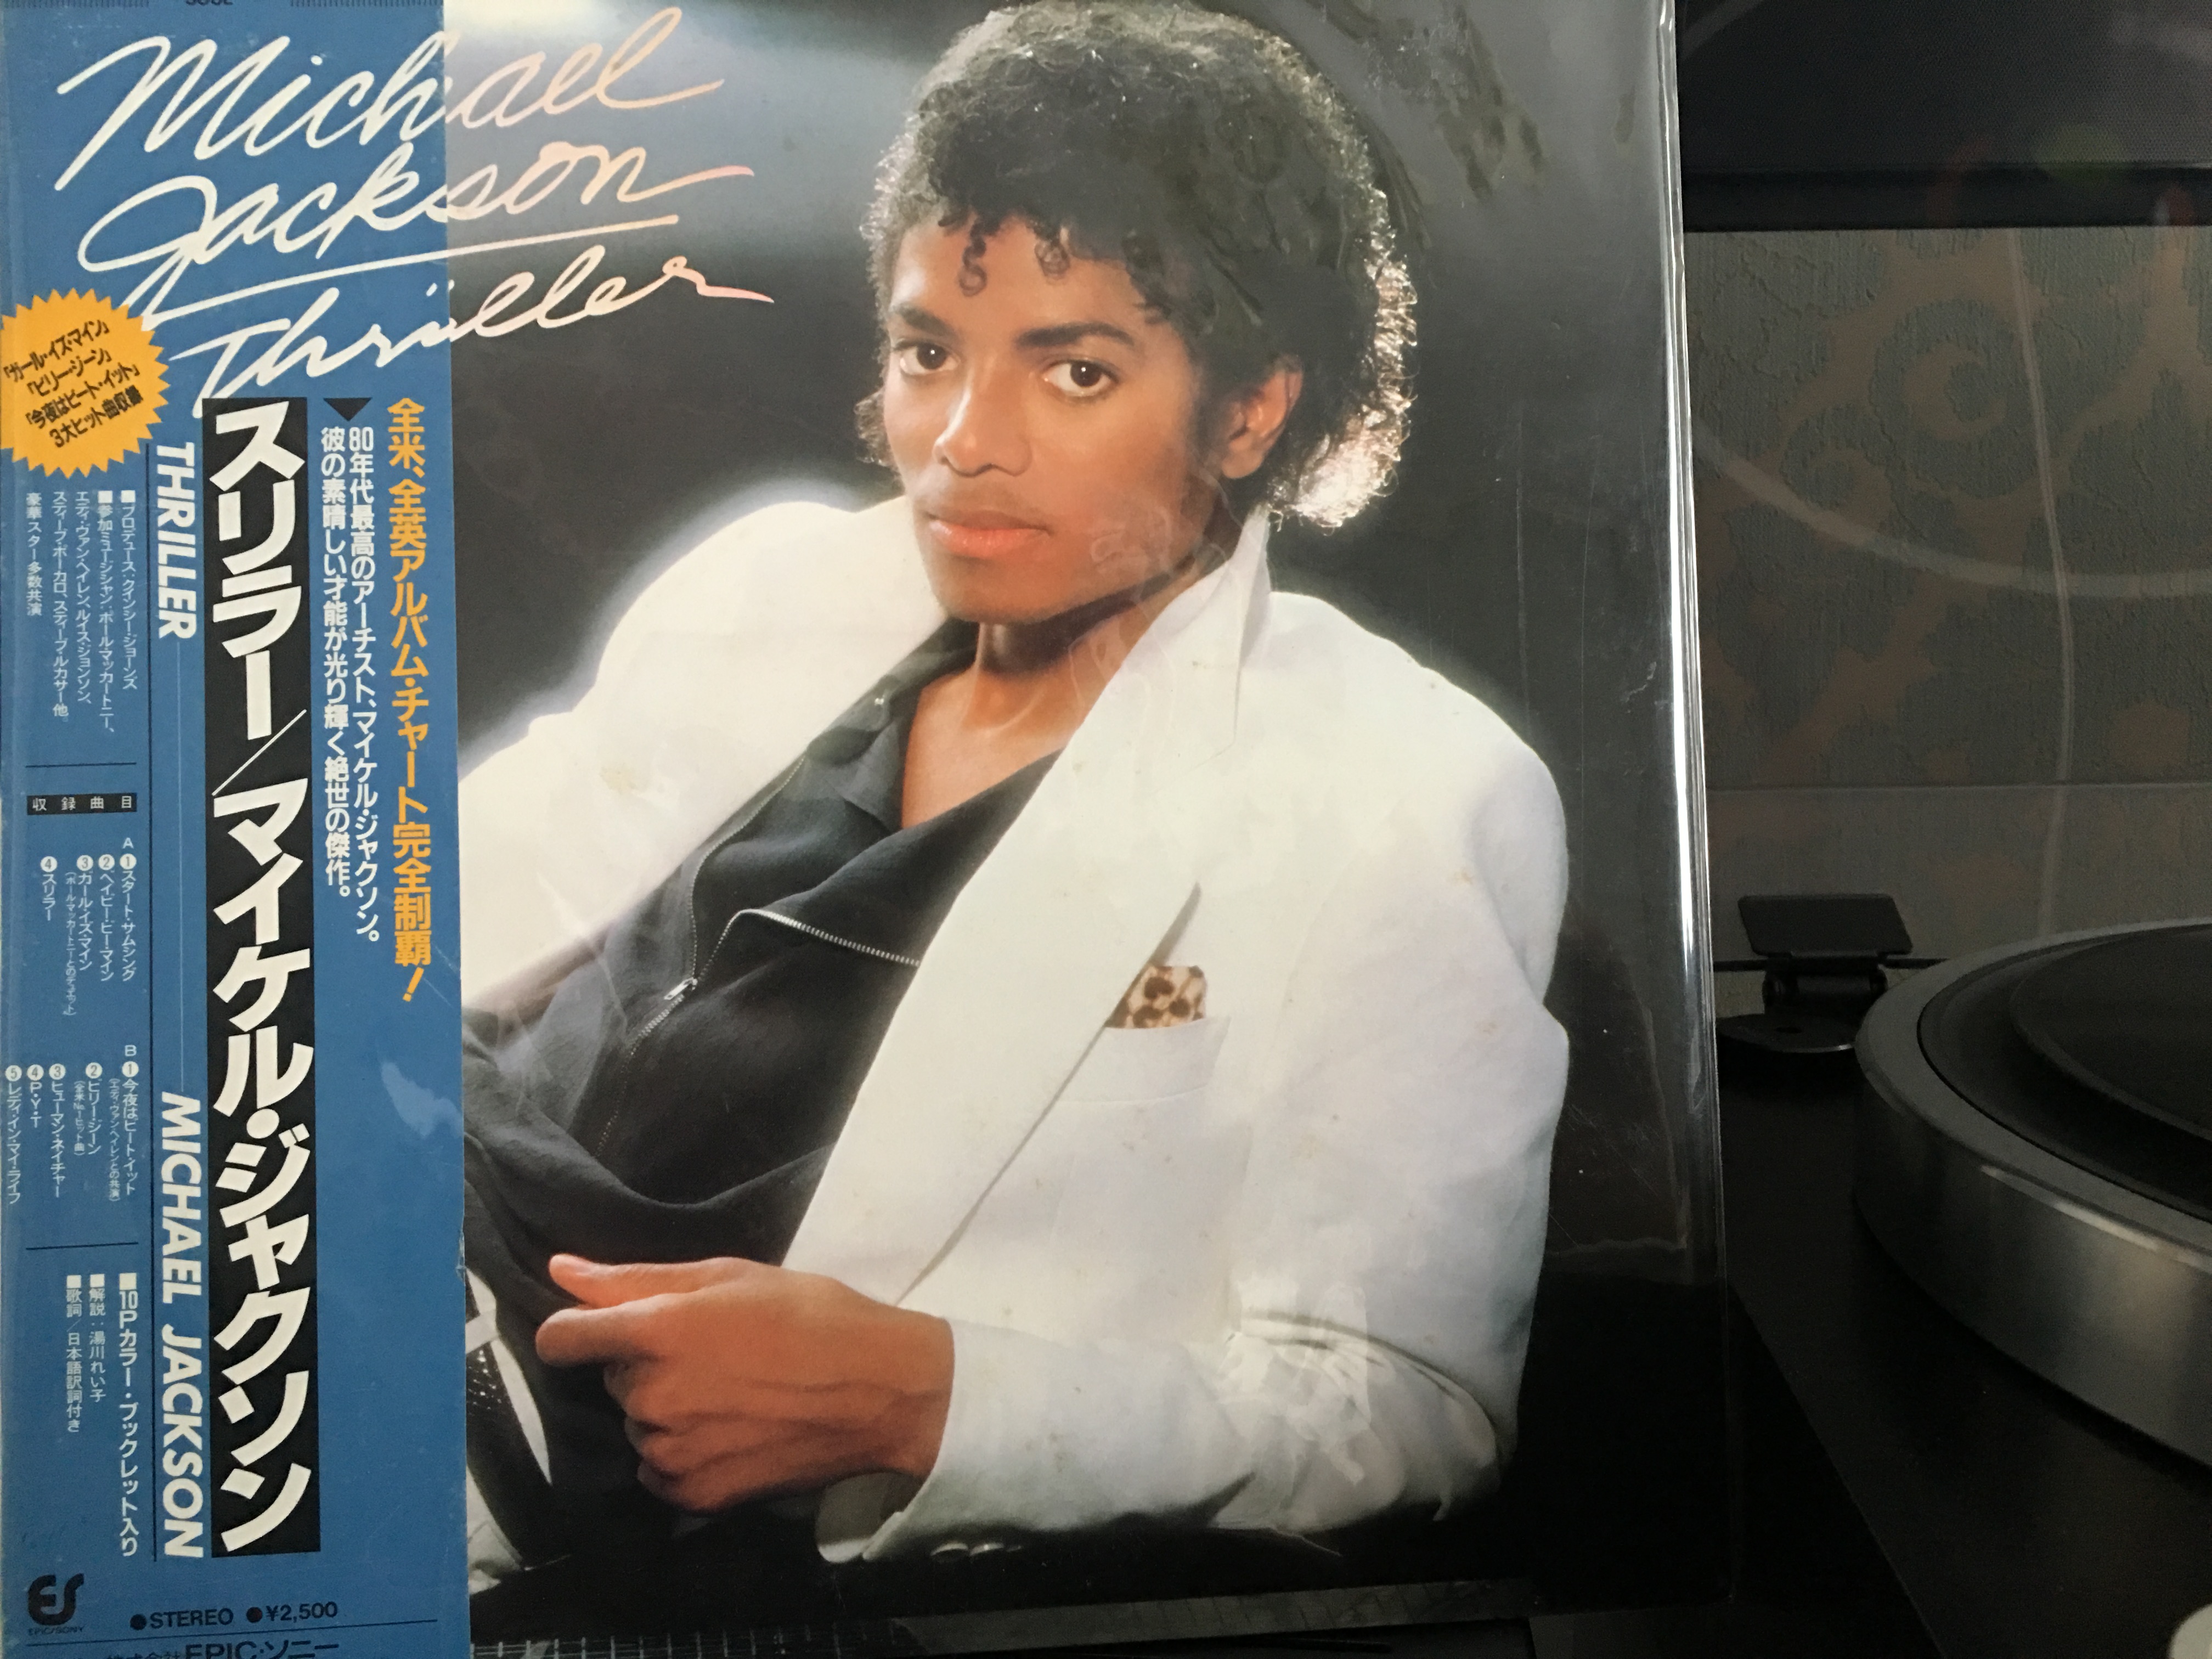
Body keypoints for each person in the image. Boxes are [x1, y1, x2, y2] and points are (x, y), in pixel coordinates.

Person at [456, 0, 1568, 1593]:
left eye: (1078, 370)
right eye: (930, 353)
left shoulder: (1409, 789)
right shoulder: (775, 582)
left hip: (610, 1531)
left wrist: (923, 1400)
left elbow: (1410, 1411)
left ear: (1253, 406)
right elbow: (441, 911)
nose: (964, 446)